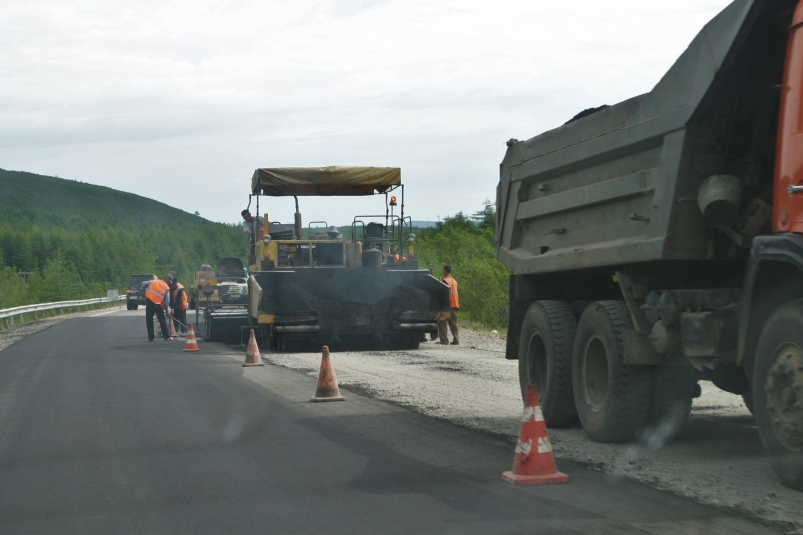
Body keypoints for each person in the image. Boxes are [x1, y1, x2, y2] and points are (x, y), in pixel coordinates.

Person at [143, 277, 172, 341]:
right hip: (157, 304)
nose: (169, 284)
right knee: (162, 320)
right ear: (167, 280)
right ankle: (166, 336)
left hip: (149, 302)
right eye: (169, 282)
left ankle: (151, 337)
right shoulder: (166, 287)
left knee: (149, 320)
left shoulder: (154, 281)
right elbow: (167, 301)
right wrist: (167, 310)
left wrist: (143, 292)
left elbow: (143, 283)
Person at [438, 265, 459, 345]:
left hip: (447, 305)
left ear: (445, 271)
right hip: (455, 305)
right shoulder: (454, 281)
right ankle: (456, 340)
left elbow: (443, 294)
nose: (443, 272)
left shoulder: (445, 281)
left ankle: (444, 340)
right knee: (454, 324)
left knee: (442, 321)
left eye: (443, 270)